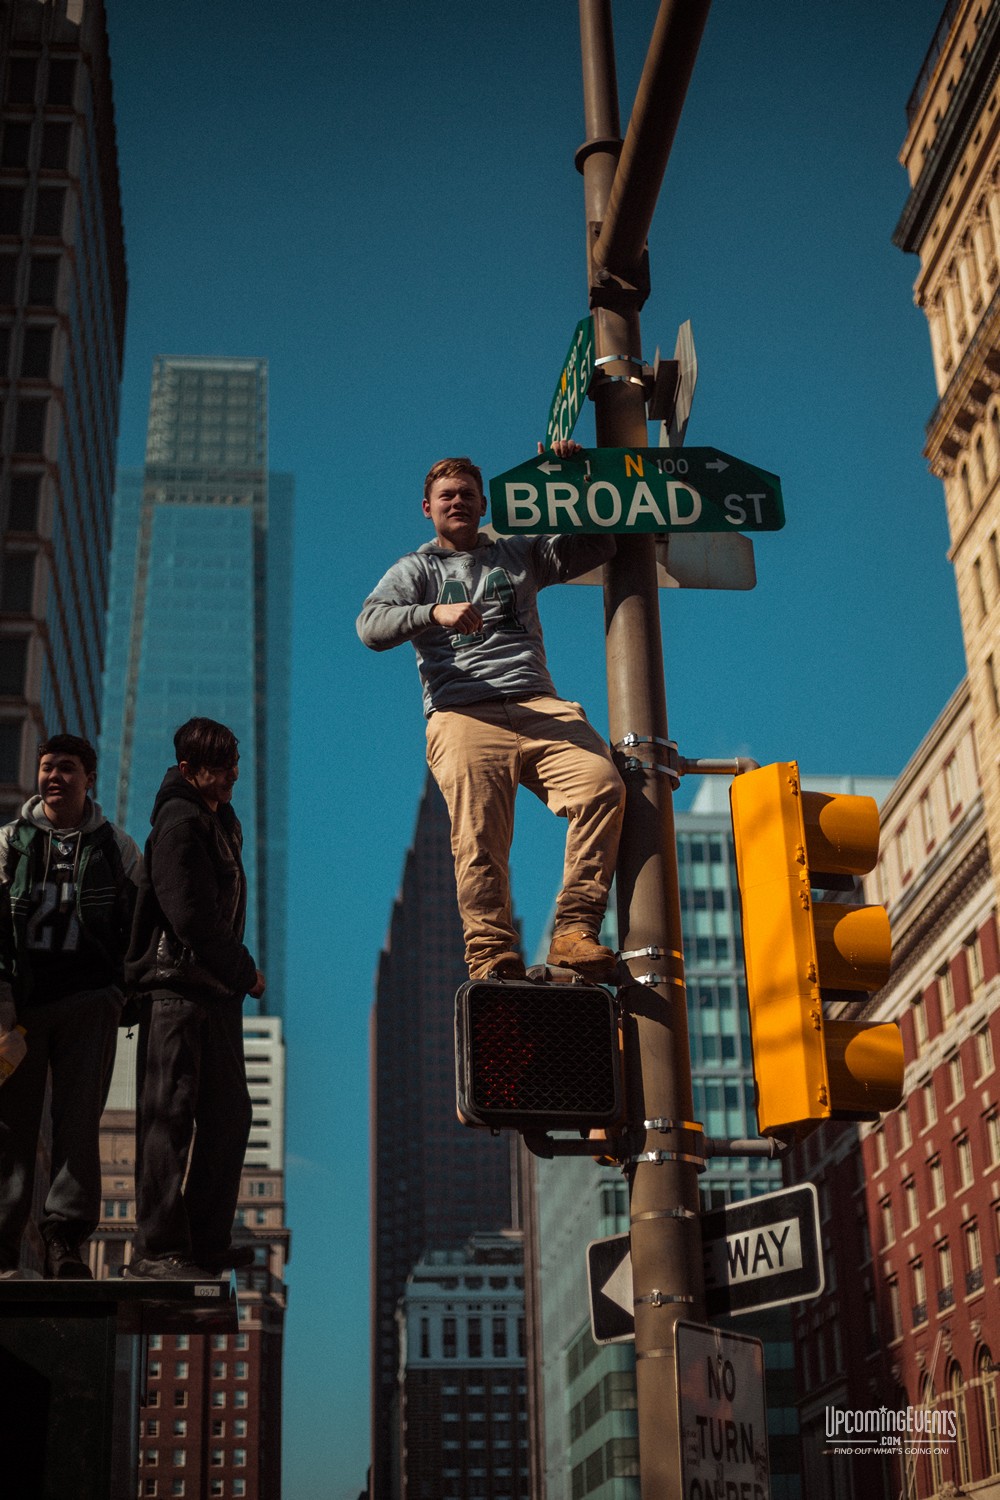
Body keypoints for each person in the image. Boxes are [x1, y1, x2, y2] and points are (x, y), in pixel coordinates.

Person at [357, 442, 625, 982]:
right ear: (427, 508)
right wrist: (434, 611)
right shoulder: (416, 568)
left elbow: (599, 542)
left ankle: (574, 931)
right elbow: (370, 625)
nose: (457, 501)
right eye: (446, 495)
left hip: (536, 704)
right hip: (462, 714)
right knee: (480, 835)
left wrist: (578, 473)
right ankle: (491, 952)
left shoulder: (517, 551)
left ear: (484, 506)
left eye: (467, 495)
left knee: (602, 786)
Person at [125, 717, 265, 1280]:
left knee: (230, 1116)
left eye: (234, 762)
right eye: (220, 765)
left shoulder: (218, 822)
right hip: (177, 991)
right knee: (169, 1117)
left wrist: (231, 977)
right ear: (187, 770)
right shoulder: (180, 821)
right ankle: (158, 1251)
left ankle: (205, 1241)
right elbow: (190, 918)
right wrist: (245, 970)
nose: (232, 774)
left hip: (213, 994)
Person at [0, 734, 141, 1279]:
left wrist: (119, 992)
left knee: (79, 1129)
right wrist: (3, 997)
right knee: (11, 1131)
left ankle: (65, 1246)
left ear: (89, 778)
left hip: (89, 1003)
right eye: (46, 768)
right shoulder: (12, 840)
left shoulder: (116, 846)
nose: (54, 777)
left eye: (66, 768)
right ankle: (2, 1249)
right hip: (22, 1007)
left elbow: (138, 925)